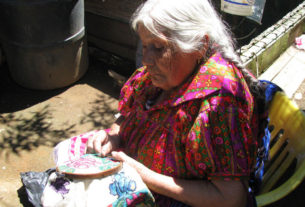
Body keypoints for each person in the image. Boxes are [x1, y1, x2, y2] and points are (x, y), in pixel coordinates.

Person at [54, 0, 269, 206]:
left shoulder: (219, 105)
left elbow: (231, 199)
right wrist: (114, 134)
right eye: (145, 45)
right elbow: (128, 114)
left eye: (158, 47)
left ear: (200, 45)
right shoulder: (163, 75)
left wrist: (144, 175)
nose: (146, 59)